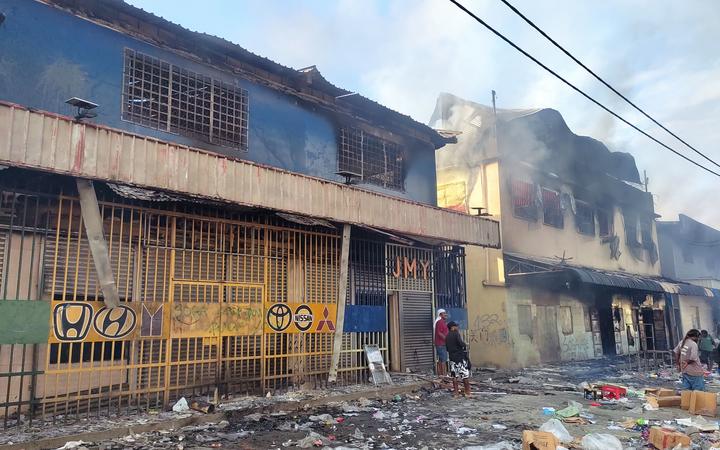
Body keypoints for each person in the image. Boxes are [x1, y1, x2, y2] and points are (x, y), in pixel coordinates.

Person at [445, 321, 471, 397]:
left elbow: (447, 348)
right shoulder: (456, 334)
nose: (457, 327)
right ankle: (467, 393)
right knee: (465, 375)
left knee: (454, 376)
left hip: (452, 358)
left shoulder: (447, 336)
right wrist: (465, 344)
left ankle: (456, 393)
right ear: (452, 327)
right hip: (460, 358)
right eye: (456, 326)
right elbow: (460, 343)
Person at [433, 309, 449, 376]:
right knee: (443, 360)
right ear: (440, 315)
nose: (445, 314)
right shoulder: (439, 322)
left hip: (442, 343)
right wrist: (446, 339)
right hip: (441, 344)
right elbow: (439, 333)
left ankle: (440, 374)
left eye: (445, 313)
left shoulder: (442, 322)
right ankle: (444, 374)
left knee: (441, 359)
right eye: (444, 313)